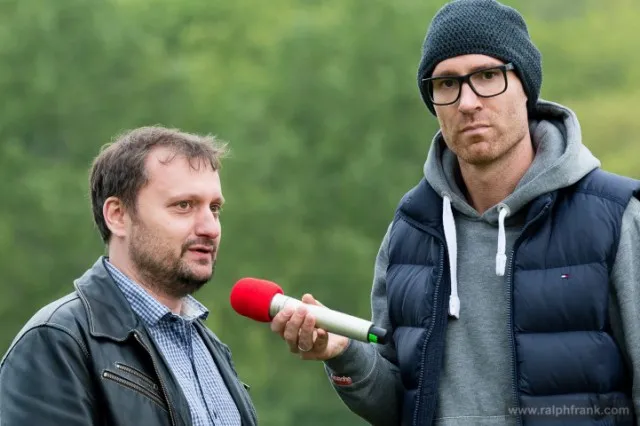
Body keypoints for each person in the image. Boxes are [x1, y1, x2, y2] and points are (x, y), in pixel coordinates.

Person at [270, 0, 640, 425]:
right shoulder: (411, 231)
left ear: (525, 86)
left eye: (487, 76)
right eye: (447, 83)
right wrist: (345, 355)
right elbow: (402, 406)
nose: (467, 102)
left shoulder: (616, 218)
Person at [0, 126, 257, 425]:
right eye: (183, 206)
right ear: (118, 216)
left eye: (214, 208)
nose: (210, 227)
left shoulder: (210, 348)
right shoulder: (57, 341)